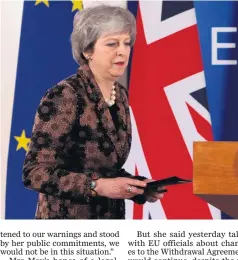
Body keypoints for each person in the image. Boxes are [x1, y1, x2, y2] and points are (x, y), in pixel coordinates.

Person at [22, 5, 165, 219]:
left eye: (126, 43)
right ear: (87, 51)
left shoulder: (120, 94)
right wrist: (96, 186)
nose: (122, 51)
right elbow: (34, 173)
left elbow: (105, 168)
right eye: (111, 44)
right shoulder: (66, 95)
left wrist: (136, 186)